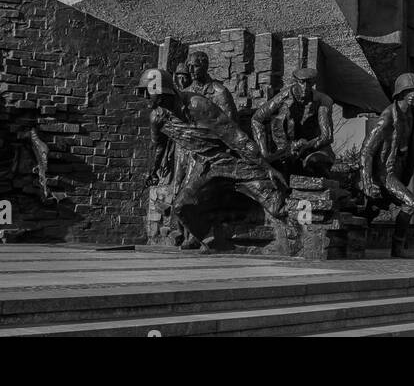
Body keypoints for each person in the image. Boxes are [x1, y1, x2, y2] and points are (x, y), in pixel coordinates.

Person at [140, 69, 288, 249]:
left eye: (147, 93)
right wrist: (153, 171)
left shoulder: (196, 105)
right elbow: (159, 146)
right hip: (205, 165)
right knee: (181, 207)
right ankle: (215, 241)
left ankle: (304, 226)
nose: (145, 97)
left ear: (162, 94)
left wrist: (266, 166)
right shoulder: (158, 118)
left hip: (233, 161)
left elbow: (236, 137)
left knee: (276, 205)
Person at [360, 73, 414, 258]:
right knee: (410, 203)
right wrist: (367, 182)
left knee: (371, 210)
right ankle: (397, 248)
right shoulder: (388, 116)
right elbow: (367, 150)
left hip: (401, 169)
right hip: (385, 172)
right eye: (408, 90)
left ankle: (357, 243)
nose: (412, 94)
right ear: (400, 92)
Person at [250, 67, 335, 177]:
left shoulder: (324, 101)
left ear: (313, 83)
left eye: (309, 83)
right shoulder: (283, 97)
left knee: (315, 163)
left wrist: (307, 145)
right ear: (296, 81)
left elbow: (326, 136)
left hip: (313, 149)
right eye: (301, 82)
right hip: (285, 150)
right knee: (274, 172)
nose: (305, 87)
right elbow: (257, 119)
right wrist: (263, 151)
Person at [183, 51, 236, 118]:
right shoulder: (185, 93)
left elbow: (229, 123)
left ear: (205, 67)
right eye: (189, 66)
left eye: (195, 66)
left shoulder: (220, 92)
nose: (191, 70)